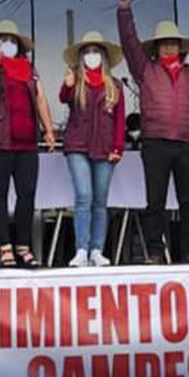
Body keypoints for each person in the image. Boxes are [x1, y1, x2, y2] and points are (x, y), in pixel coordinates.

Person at [116, 0, 189, 264]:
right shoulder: (145, 70)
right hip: (155, 143)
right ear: (156, 48)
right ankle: (154, 252)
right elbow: (130, 44)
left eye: (173, 44)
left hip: (186, 143)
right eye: (164, 44)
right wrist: (124, 11)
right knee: (156, 200)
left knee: (188, 201)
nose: (169, 48)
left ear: (180, 47)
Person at [0, 19, 56, 268]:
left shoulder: (29, 69)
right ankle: (5, 247)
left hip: (26, 140)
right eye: (3, 40)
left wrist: (48, 129)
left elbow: (41, 99)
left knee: (27, 193)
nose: (8, 44)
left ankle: (23, 245)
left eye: (12, 41)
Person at [59, 31, 125, 267]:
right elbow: (63, 98)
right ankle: (81, 249)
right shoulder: (75, 81)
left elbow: (120, 120)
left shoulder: (115, 85)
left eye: (96, 51)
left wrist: (118, 147)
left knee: (100, 200)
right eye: (87, 52)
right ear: (81, 57)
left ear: (104, 56)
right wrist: (67, 86)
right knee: (84, 196)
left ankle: (97, 250)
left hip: (105, 148)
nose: (91, 55)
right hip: (77, 146)